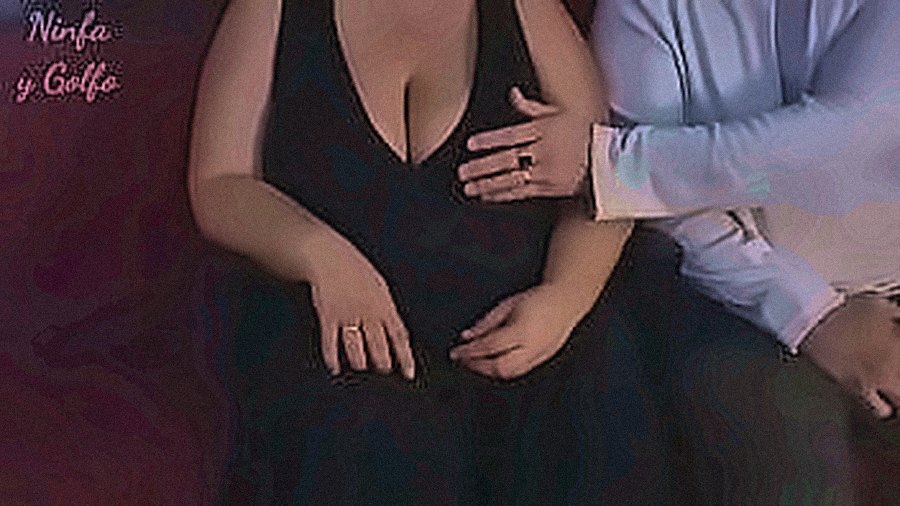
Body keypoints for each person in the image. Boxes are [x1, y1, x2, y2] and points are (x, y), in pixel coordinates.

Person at [188, 0, 674, 503]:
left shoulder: (528, 10)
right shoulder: (272, 9)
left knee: (599, 395)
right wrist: (322, 256)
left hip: (522, 341)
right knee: (364, 435)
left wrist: (563, 297)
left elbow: (607, 174)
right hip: (356, 351)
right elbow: (220, 183)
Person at [457, 0, 900, 502]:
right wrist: (813, 316)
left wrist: (613, 167)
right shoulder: (641, 15)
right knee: (788, 457)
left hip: (879, 287)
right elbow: (673, 214)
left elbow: (842, 146)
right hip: (735, 296)